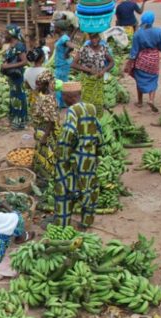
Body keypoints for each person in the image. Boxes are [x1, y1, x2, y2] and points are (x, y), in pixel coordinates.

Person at [54, 82, 103, 229]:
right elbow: (98, 132)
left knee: (64, 188)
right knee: (88, 188)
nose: (62, 98)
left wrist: (61, 157)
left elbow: (69, 134)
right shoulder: (91, 108)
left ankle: (62, 223)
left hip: (74, 158)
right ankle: (86, 222)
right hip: (88, 157)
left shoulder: (73, 111)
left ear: (70, 96)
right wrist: (98, 153)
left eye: (63, 96)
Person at [128, 11, 161, 112]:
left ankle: (140, 102)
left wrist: (129, 63)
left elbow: (134, 51)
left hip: (141, 59)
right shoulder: (160, 32)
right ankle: (151, 100)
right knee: (154, 78)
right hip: (153, 59)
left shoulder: (138, 33)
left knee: (139, 79)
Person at [72, 33, 114, 117]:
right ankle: (87, 121)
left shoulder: (103, 49)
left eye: (96, 37)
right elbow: (73, 64)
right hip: (87, 81)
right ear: (89, 39)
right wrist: (89, 70)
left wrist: (104, 70)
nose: (94, 40)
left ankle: (98, 121)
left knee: (98, 102)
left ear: (99, 38)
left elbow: (112, 62)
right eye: (92, 38)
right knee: (87, 102)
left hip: (99, 81)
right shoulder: (84, 49)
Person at [30, 71, 59, 180]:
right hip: (41, 128)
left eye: (40, 84)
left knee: (47, 152)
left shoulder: (49, 99)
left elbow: (51, 120)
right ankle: (42, 173)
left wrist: (45, 136)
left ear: (46, 84)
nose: (38, 86)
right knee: (41, 152)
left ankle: (47, 177)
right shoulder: (43, 94)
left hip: (47, 130)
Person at [1, 25, 28, 129]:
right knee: (14, 97)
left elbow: (24, 61)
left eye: (6, 33)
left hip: (18, 77)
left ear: (11, 34)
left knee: (19, 98)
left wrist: (8, 66)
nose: (5, 35)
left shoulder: (19, 46)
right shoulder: (11, 45)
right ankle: (15, 119)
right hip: (12, 78)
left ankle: (20, 121)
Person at [53, 20, 77, 108]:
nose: (54, 29)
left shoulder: (64, 38)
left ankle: (59, 104)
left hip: (62, 64)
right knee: (63, 84)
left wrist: (67, 53)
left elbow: (71, 46)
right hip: (62, 63)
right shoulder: (63, 37)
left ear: (59, 29)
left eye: (55, 27)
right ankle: (63, 103)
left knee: (58, 84)